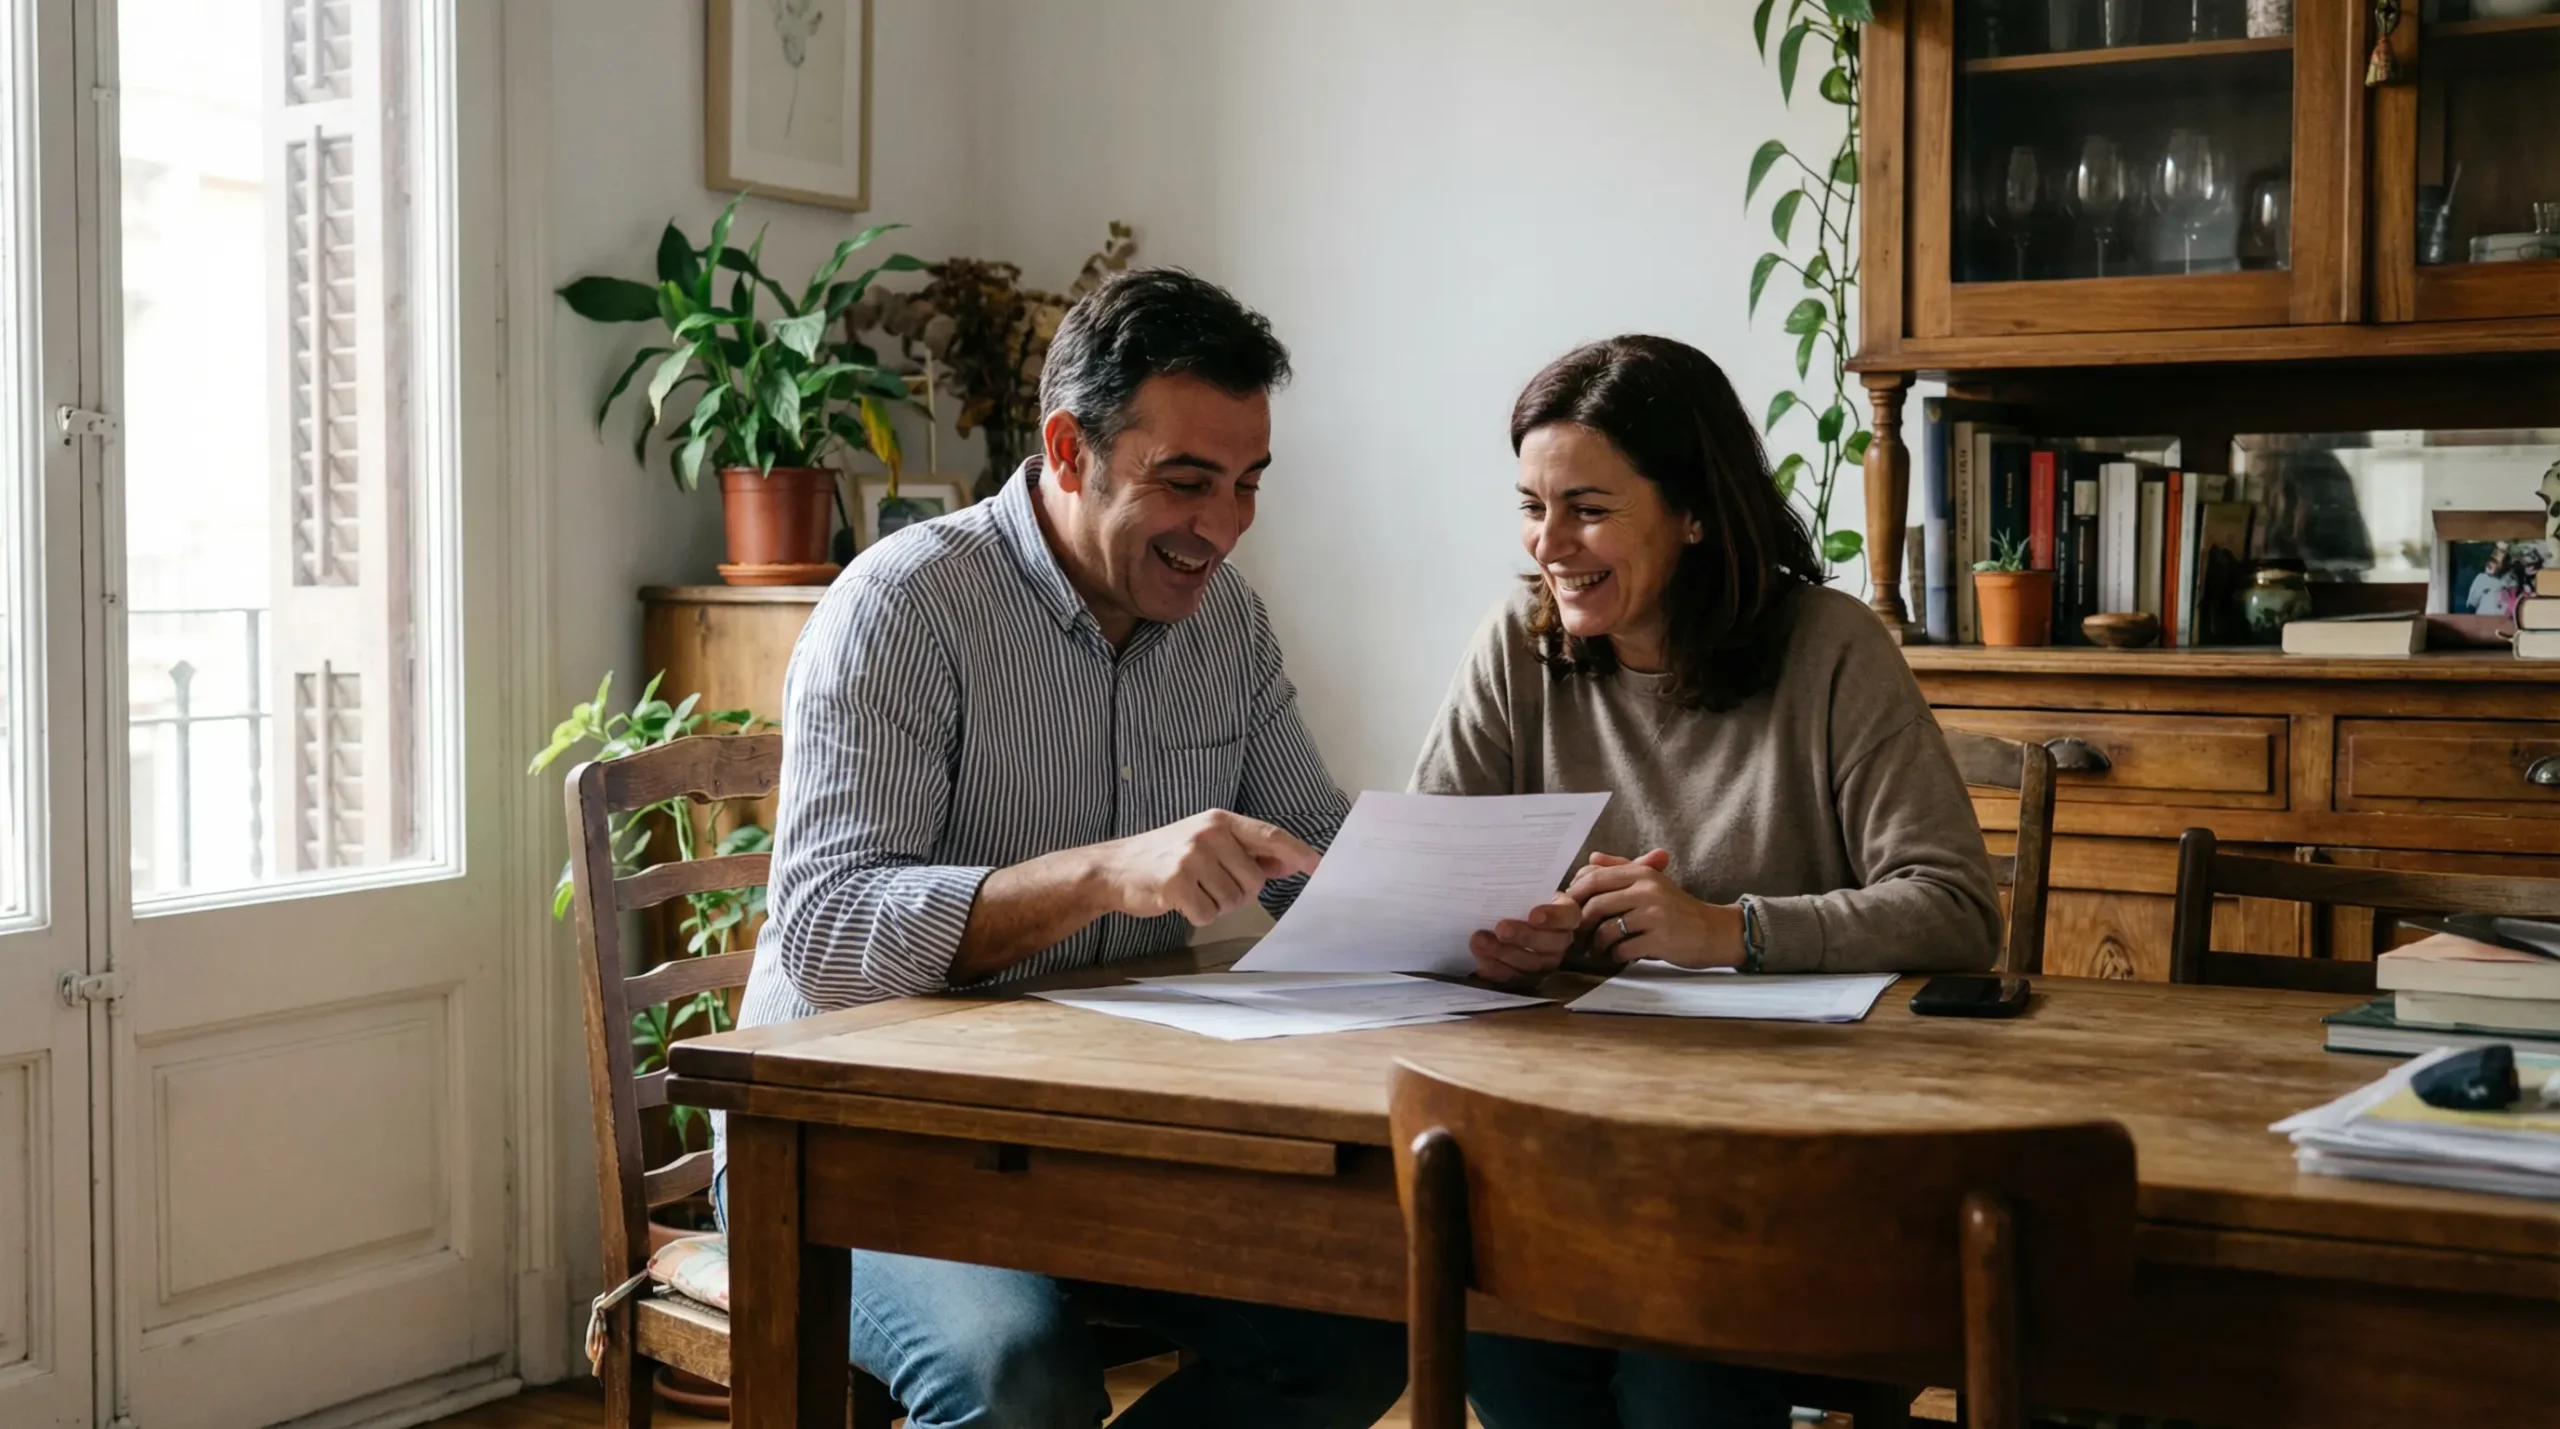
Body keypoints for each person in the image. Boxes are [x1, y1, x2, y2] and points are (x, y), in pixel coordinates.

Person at [720, 269, 1407, 1429]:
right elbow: (830, 936)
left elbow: (1313, 854)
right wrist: (1101, 871)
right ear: (1068, 449)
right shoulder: (902, 606)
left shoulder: (1225, 620)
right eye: (1186, 483)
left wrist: (1463, 908)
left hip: (1098, 1137)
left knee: (1360, 1325)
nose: (1224, 527)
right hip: (853, 1138)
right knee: (1017, 1378)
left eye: (1247, 486)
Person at [1414, 334, 2002, 1429]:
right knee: (1500, 1329)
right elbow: (1423, 890)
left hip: (1779, 1157)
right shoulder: (1518, 645)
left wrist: (1725, 930)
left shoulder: (1829, 646)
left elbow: (1958, 907)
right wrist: (1506, 934)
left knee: (1674, 1371)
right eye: (1531, 508)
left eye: (1586, 508)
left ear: (1692, 510)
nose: (1551, 545)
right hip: (1568, 1142)